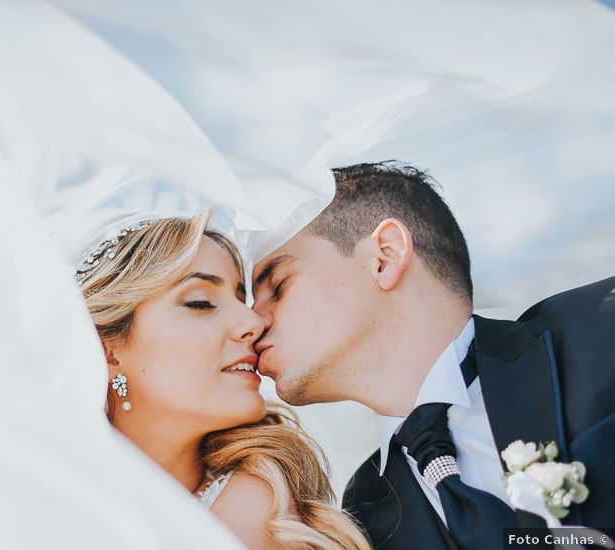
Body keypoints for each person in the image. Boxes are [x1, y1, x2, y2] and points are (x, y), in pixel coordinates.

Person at [250, 162, 615, 549]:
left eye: (278, 285)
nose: (252, 323)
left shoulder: (599, 329)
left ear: (385, 257)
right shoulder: (361, 520)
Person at [76, 209, 368, 549]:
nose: (253, 322)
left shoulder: (267, 515)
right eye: (201, 303)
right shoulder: (38, 499)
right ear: (107, 351)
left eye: (241, 299)